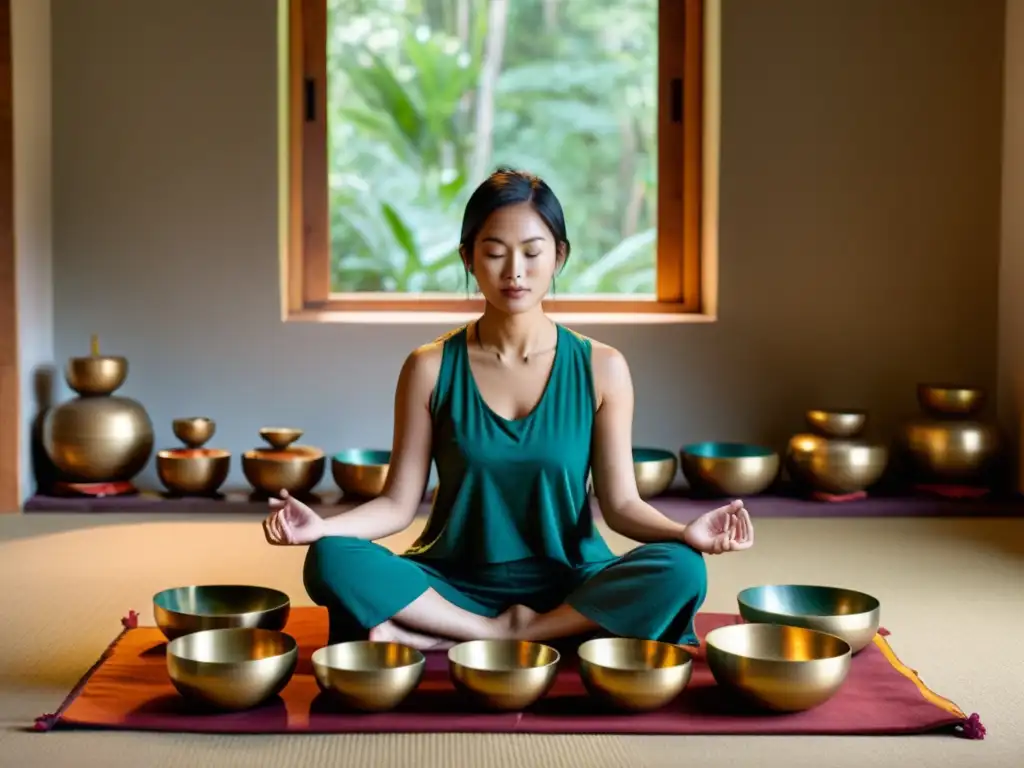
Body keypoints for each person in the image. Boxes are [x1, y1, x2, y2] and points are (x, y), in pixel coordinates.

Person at [262, 168, 754, 652]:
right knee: (330, 559)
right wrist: (322, 528)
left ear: (559, 256)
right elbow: (396, 505)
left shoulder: (603, 368)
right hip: (453, 580)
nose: (514, 271)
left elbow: (622, 507)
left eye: (532, 252)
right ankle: (504, 633)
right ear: (469, 260)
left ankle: (462, 634)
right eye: (494, 253)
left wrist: (685, 533)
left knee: (682, 567)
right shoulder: (429, 368)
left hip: (571, 582)